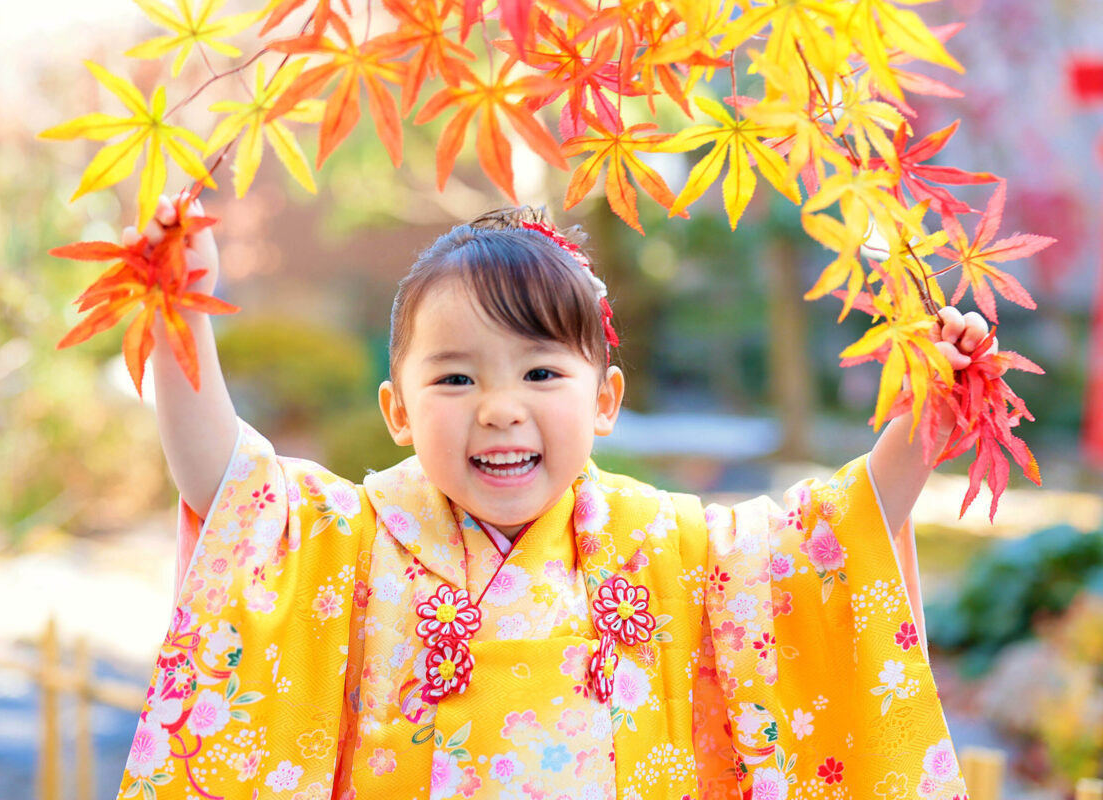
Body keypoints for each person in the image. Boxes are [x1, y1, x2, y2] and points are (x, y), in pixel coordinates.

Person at [118, 193, 988, 800]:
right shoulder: (354, 538)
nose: (501, 409)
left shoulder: (669, 545)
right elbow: (228, 488)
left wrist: (923, 414)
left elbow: (828, 545)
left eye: (541, 371)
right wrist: (181, 308)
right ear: (397, 411)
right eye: (455, 378)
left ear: (605, 400)